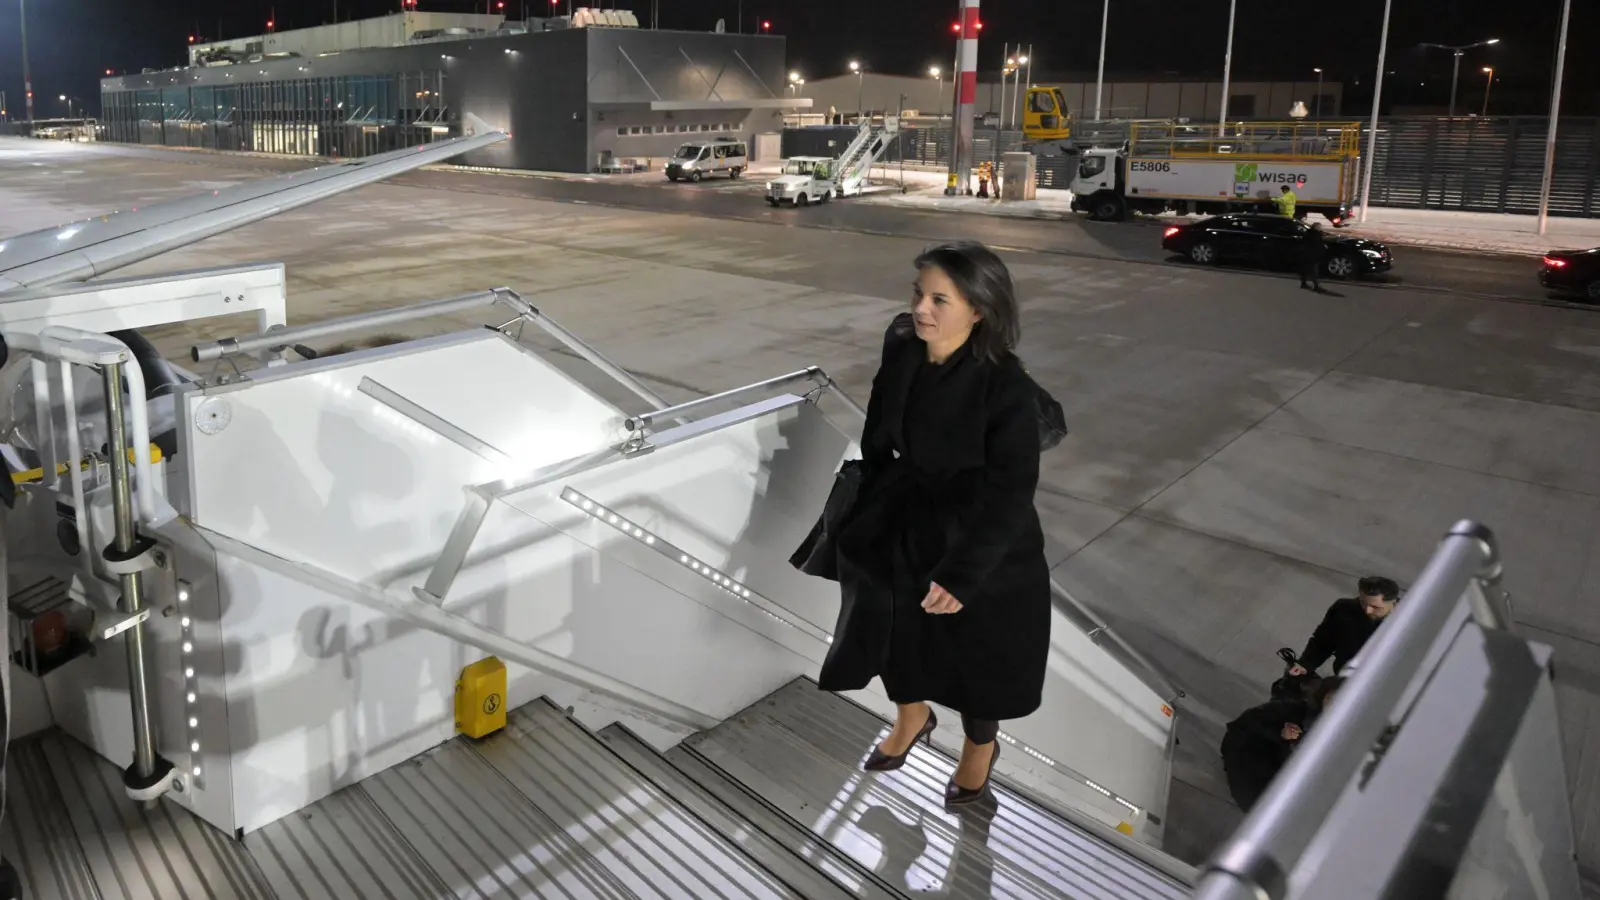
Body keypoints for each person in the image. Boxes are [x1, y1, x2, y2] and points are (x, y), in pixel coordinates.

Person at [813, 240, 1050, 809]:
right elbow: (880, 422)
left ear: (980, 310)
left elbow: (1011, 491)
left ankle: (979, 750)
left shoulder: (1007, 391)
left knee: (976, 656)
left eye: (940, 299)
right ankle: (913, 717)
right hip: (905, 516)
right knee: (898, 634)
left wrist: (965, 573)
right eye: (919, 294)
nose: (921, 309)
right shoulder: (904, 350)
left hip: (978, 541)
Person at [1221, 675, 1346, 812]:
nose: (1333, 706)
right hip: (1258, 767)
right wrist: (1280, 733)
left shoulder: (1339, 740)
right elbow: (1250, 722)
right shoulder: (1297, 711)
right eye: (1331, 699)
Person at [1289, 576, 1400, 676]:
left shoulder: (1406, 624)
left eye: (1375, 607)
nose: (1367, 610)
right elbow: (1323, 641)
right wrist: (1305, 664)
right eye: (1363, 602)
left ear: (1393, 604)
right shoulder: (1343, 609)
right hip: (1345, 677)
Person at [1298, 222, 1325, 291]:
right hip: (1314, 255)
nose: (1321, 228)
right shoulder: (1317, 234)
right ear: (1316, 227)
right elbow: (1318, 245)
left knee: (1305, 270)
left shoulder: (1307, 233)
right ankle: (1315, 286)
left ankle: (1303, 283)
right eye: (1320, 227)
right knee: (1314, 271)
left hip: (1306, 254)